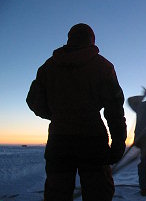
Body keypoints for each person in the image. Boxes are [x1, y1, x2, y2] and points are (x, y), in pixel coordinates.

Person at [26, 23, 127, 201]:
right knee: (98, 193)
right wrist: (118, 141)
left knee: (57, 194)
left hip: (59, 139)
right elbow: (114, 107)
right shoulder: (103, 67)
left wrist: (57, 115)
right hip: (93, 139)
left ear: (69, 39)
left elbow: (33, 101)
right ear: (91, 40)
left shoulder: (48, 67)